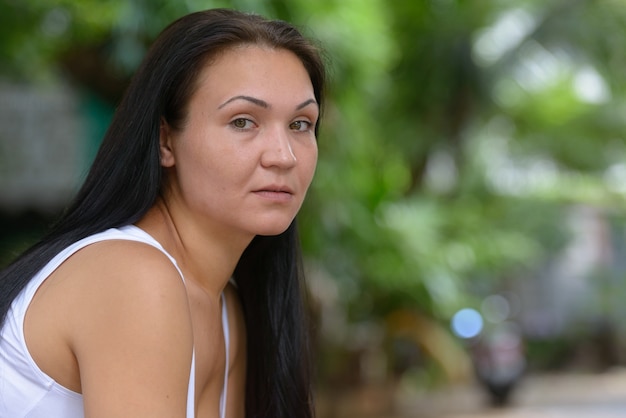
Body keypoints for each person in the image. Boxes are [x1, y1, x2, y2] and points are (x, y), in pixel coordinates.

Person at [0, 8, 325, 418]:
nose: (283, 156)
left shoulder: (228, 309)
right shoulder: (133, 276)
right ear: (165, 142)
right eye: (243, 121)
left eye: (300, 124)